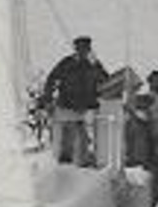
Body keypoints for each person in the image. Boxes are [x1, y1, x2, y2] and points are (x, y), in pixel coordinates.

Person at [42, 36, 109, 167]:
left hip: (87, 108)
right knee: (67, 138)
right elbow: (51, 79)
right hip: (67, 106)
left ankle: (85, 163)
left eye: (86, 49)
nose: (83, 52)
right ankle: (65, 165)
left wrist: (96, 67)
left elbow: (106, 81)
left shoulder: (94, 65)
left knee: (84, 138)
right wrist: (48, 99)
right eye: (80, 49)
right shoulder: (67, 63)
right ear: (76, 49)